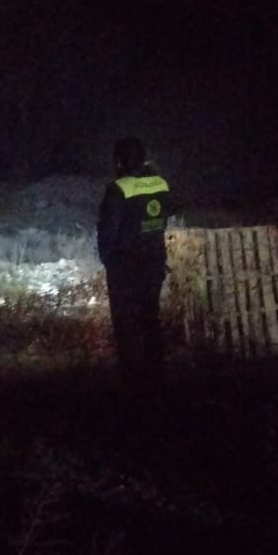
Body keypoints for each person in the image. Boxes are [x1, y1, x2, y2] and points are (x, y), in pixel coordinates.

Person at [96, 136, 178, 391]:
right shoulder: (161, 184)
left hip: (125, 268)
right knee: (150, 319)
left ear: (119, 160)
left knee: (126, 323)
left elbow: (108, 232)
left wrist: (109, 262)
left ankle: (131, 381)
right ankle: (156, 375)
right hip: (153, 263)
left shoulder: (118, 189)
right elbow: (168, 213)